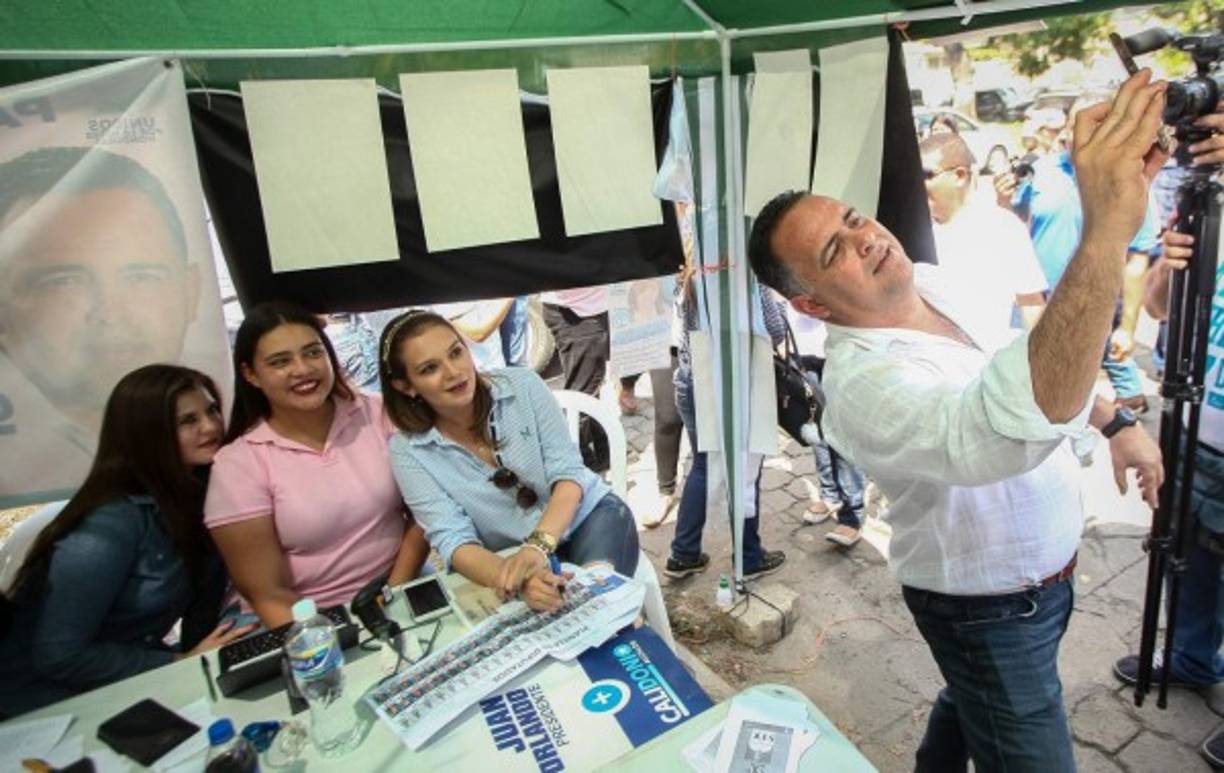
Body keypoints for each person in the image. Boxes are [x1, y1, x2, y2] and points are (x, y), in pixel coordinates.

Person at [748, 72, 1169, 771]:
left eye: (854, 219)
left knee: (971, 702)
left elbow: (1023, 353)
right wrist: (1106, 232)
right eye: (833, 252)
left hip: (1049, 583)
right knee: (1013, 721)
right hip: (990, 612)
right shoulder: (861, 387)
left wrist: (1114, 419)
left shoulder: (928, 279)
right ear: (813, 306)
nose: (865, 238)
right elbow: (1012, 420)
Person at [0, 364, 254, 718]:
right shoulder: (108, 526)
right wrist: (178, 661)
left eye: (211, 410)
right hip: (46, 709)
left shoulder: (200, 494)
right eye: (187, 421)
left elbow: (204, 607)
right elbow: (59, 654)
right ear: (148, 434)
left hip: (133, 685)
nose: (210, 426)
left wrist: (208, 661)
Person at [379, 310, 639, 612]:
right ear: (405, 386)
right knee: (550, 622)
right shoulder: (408, 450)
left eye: (456, 352)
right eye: (429, 368)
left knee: (596, 606)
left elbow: (569, 475)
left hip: (587, 519)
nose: (453, 372)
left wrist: (538, 547)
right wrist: (517, 579)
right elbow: (453, 539)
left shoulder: (522, 386)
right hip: (508, 557)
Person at [1111, 102, 1224, 770]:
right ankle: (1188, 655)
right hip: (1194, 428)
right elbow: (1156, 304)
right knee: (1191, 549)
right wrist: (1168, 268)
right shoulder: (1205, 208)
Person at [0, 147, 210, 498]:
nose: (110, 313)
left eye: (142, 276)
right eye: (62, 282)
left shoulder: (229, 426)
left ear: (191, 292)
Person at [204, 302, 429, 628]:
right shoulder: (239, 463)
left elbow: (424, 514)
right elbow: (267, 593)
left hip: (399, 586)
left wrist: (392, 596)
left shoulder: (378, 414)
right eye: (280, 362)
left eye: (312, 353)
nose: (302, 369)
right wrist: (334, 636)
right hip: (306, 622)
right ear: (251, 374)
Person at [997, 103, 1163, 414]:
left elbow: (1137, 262)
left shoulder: (1131, 183)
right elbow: (1014, 223)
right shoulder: (1041, 171)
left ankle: (1122, 423)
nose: (1078, 137)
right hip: (1036, 303)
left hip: (1095, 304)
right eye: (1075, 127)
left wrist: (1127, 326)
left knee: (1108, 385)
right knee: (1026, 384)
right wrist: (1003, 202)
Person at [663, 264, 787, 580]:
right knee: (747, 470)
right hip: (732, 385)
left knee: (703, 465)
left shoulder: (687, 275)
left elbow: (679, 335)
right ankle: (748, 557)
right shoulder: (746, 277)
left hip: (690, 381)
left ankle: (683, 553)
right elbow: (774, 331)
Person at [919, 132, 1047, 333]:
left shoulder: (1003, 228)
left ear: (959, 176)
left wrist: (1036, 360)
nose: (917, 184)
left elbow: (1031, 303)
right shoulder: (912, 233)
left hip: (986, 360)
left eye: (926, 175)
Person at [541, 286, 612, 472]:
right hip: (579, 313)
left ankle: (604, 452)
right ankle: (579, 465)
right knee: (581, 397)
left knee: (588, 389)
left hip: (579, 309)